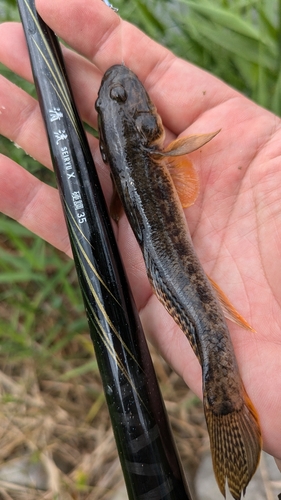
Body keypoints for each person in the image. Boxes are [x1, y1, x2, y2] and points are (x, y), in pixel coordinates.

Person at [1, 0, 281, 471]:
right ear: (148, 130)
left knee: (205, 318)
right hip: (172, 265)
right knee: (206, 319)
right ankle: (226, 407)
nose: (121, 92)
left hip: (169, 265)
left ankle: (227, 405)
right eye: (116, 104)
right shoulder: (154, 152)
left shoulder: (136, 161)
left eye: (112, 104)